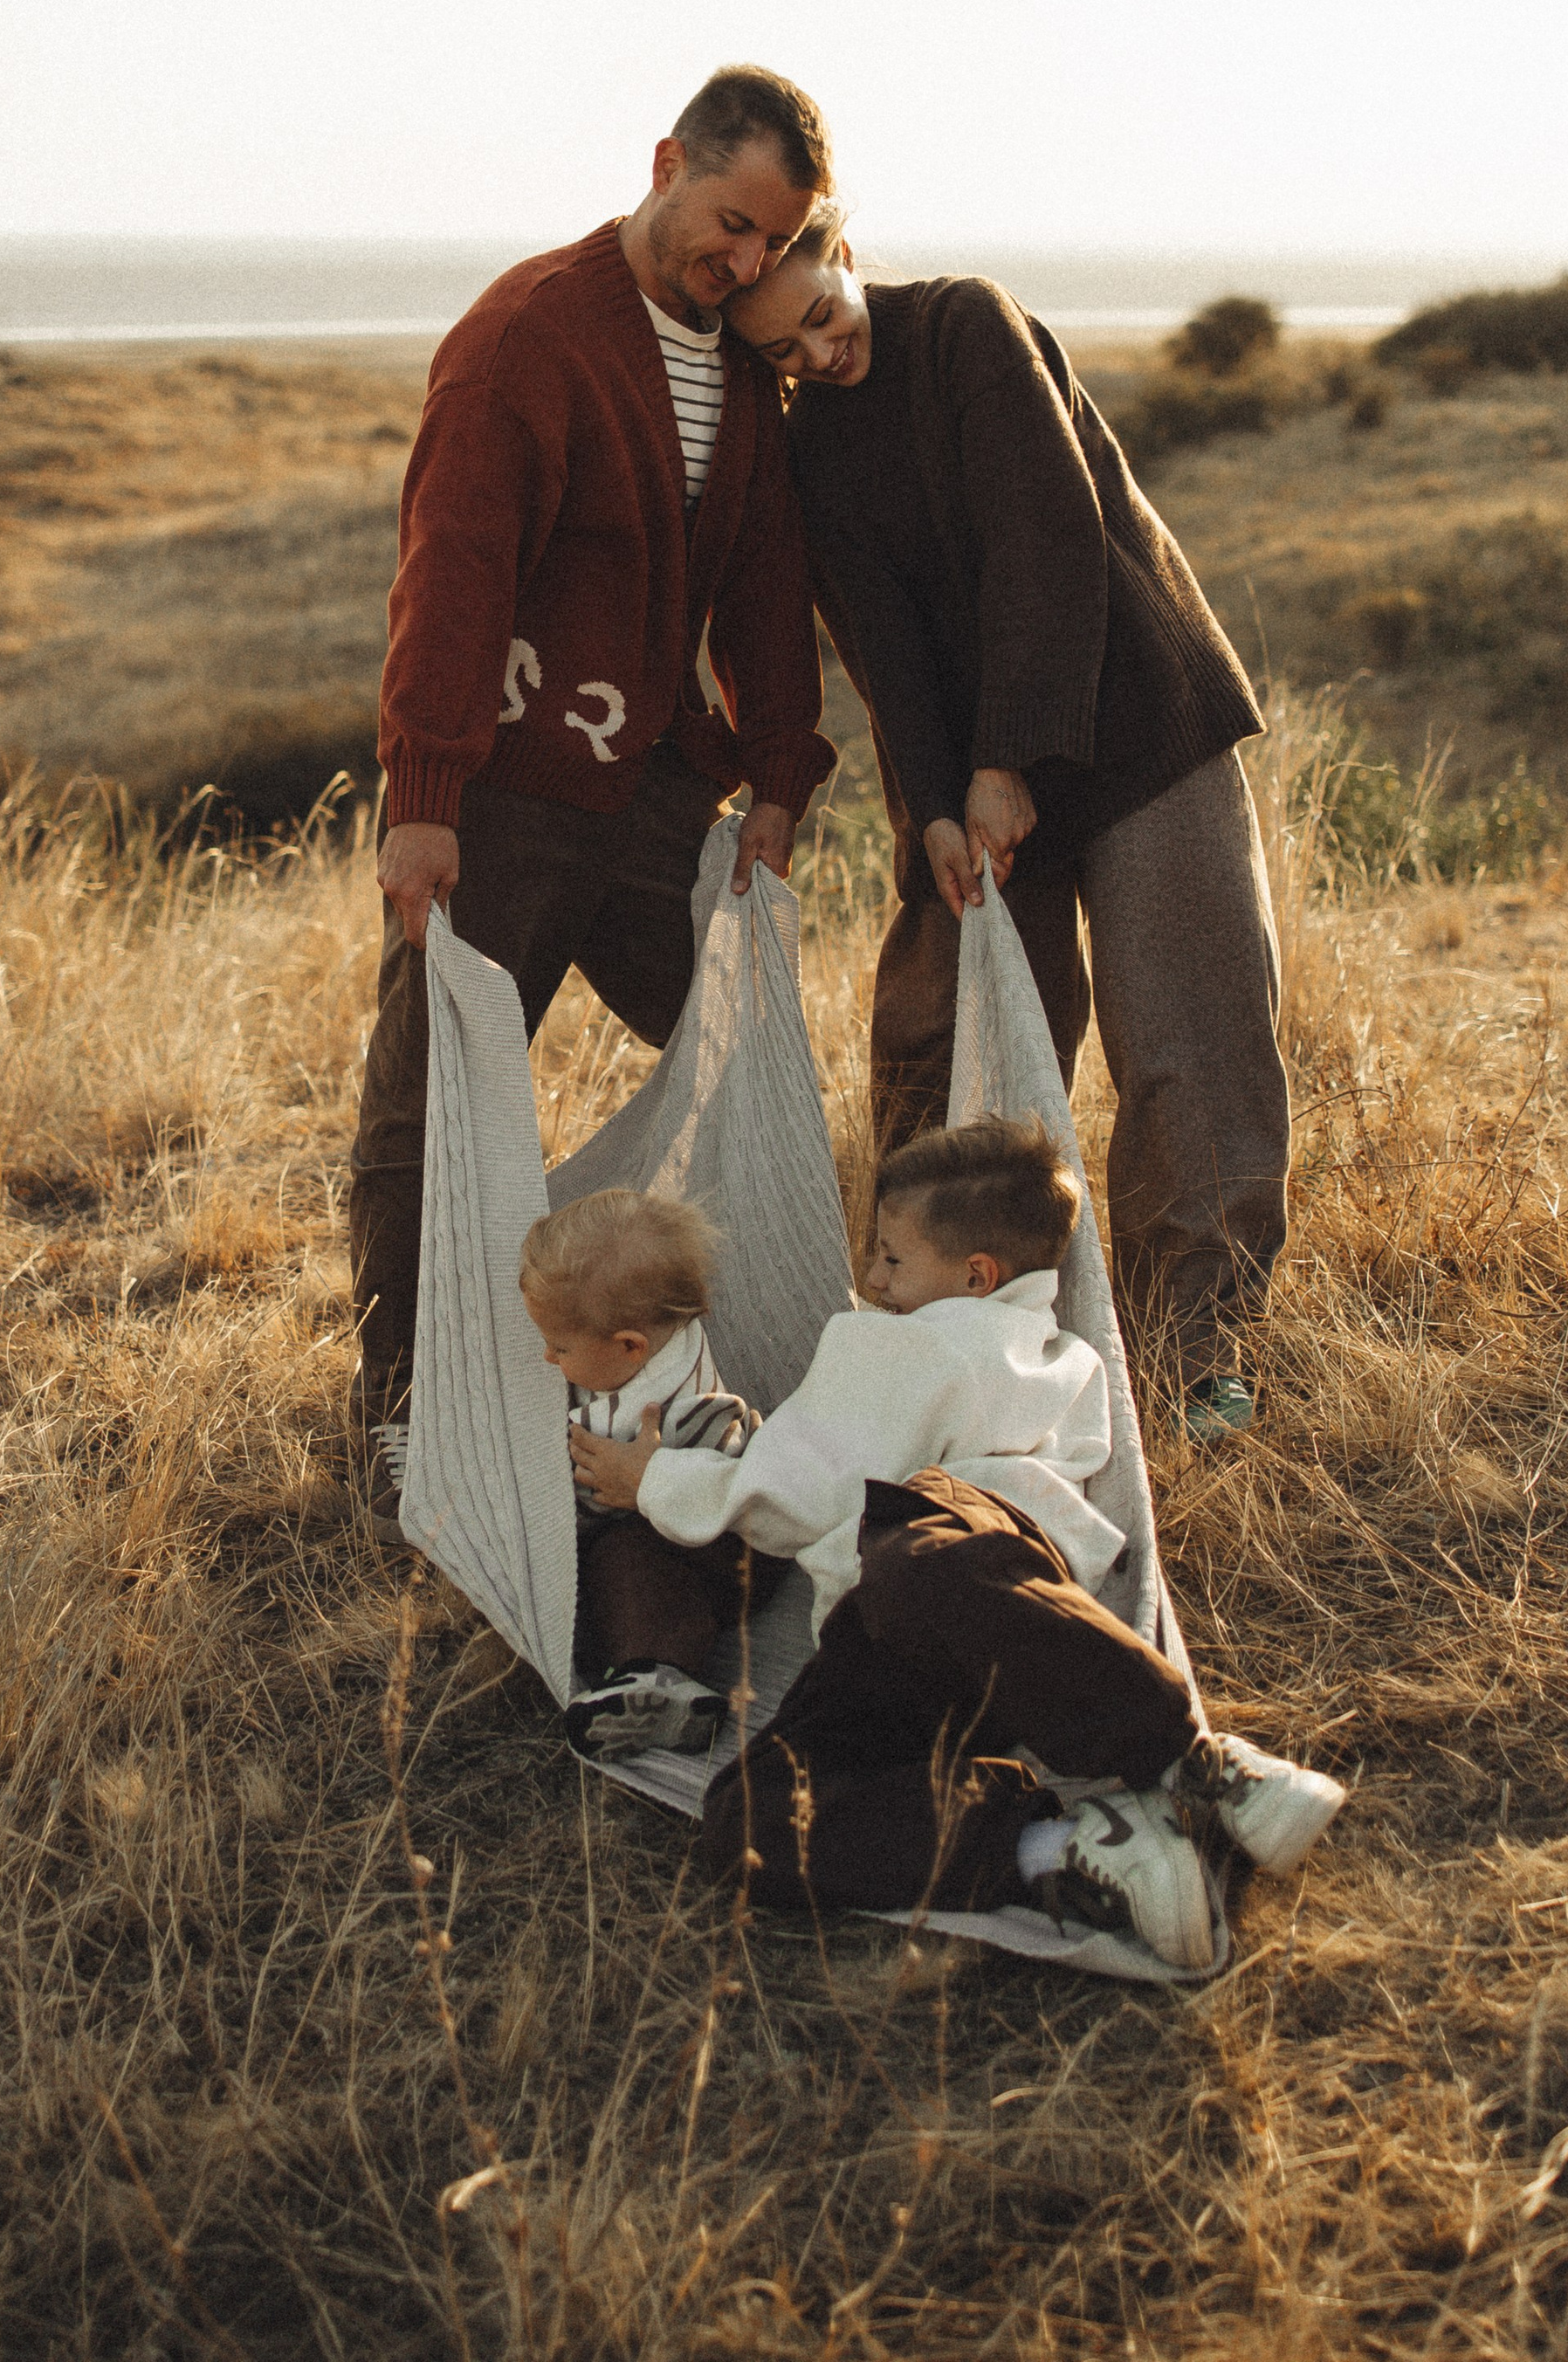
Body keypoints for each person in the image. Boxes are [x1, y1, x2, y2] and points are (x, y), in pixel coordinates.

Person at [347, 68, 839, 1539]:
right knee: (434, 1101)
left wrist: (780, 773)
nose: (745, 264)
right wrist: (422, 792)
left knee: (738, 1055)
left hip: (653, 801)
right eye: (731, 223)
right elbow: (451, 577)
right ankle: (402, 1416)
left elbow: (761, 580)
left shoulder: (740, 369)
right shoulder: (524, 340)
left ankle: (703, 1382)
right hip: (504, 795)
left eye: (772, 244)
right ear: (666, 162)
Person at [726, 211, 1289, 1446]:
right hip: (978, 776)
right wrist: (935, 804)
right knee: (942, 1027)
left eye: (821, 316)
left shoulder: (965, 324)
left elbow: (1050, 536)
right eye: (782, 354)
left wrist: (1002, 761)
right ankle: (947, 1341)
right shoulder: (812, 444)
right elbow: (882, 645)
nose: (817, 355)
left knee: (1188, 1036)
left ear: (844, 248)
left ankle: (1200, 1346)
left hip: (1141, 722)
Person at [572, 1119, 1343, 1976]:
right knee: (747, 1820)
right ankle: (1066, 1845)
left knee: (910, 1553)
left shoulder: (897, 1344)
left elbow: (797, 1492)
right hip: (983, 1638)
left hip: (948, 1560)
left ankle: (1192, 1761)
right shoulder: (1065, 1357)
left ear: (975, 1278)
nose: (871, 1278)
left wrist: (653, 1481)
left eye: (894, 1260)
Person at [519, 1184, 767, 1762]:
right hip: (723, 1515)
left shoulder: (638, 1418)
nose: (547, 1360)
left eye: (558, 1346)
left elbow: (572, 1509)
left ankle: (660, 1680)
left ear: (629, 1346)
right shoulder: (666, 1338)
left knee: (622, 1559)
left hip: (722, 1543)